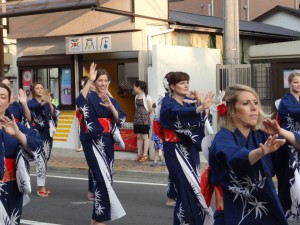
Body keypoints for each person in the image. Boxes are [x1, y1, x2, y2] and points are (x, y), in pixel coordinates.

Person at [208, 84, 300, 225]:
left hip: (268, 210)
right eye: (246, 103)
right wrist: (260, 152)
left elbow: (294, 147)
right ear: (232, 109)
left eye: (255, 102)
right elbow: (235, 157)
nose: (254, 108)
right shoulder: (224, 138)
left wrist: (280, 131)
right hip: (236, 213)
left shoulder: (262, 136)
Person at [160, 71, 215, 225]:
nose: (186, 86)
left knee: (194, 190)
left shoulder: (188, 103)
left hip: (190, 150)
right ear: (172, 86)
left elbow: (203, 123)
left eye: (187, 82)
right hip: (175, 150)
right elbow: (178, 114)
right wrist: (199, 108)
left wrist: (203, 106)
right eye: (182, 82)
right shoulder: (168, 103)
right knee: (185, 191)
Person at [76, 62, 126, 225]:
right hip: (93, 141)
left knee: (107, 178)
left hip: (107, 141)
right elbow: (80, 102)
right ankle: (98, 218)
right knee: (100, 177)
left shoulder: (110, 99)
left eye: (106, 80)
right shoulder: (89, 97)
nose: (103, 83)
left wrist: (111, 107)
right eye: (100, 80)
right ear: (95, 83)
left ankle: (97, 217)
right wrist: (89, 81)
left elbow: (121, 120)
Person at [0, 82, 42, 225]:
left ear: (9, 101)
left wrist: (18, 134)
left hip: (12, 187)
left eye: (3, 97)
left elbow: (37, 143)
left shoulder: (16, 126)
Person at [28, 82, 60, 197]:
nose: (40, 90)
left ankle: (43, 185)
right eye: (37, 88)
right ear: (33, 90)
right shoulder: (31, 102)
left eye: (41, 88)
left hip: (48, 134)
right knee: (40, 160)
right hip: (37, 134)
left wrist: (50, 104)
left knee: (45, 159)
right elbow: (33, 109)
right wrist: (44, 103)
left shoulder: (47, 102)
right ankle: (40, 187)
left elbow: (55, 113)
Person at [277, 71, 300, 221]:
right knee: (290, 178)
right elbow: (295, 113)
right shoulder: (285, 101)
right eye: (296, 82)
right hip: (289, 143)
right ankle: (289, 210)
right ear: (290, 84)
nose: (298, 85)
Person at [133, 80, 152, 163]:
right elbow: (136, 107)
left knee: (145, 137)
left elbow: (150, 108)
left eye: (134, 86)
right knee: (139, 136)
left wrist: (145, 115)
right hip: (137, 118)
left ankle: (145, 155)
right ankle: (139, 154)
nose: (133, 88)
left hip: (144, 119)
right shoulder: (136, 96)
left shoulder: (147, 96)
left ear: (139, 87)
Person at [150, 101, 165, 167]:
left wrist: (161, 137)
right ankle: (156, 161)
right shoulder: (157, 117)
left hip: (159, 136)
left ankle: (163, 161)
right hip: (157, 136)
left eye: (154, 109)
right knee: (157, 149)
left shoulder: (158, 117)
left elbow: (159, 128)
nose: (153, 110)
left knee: (162, 149)